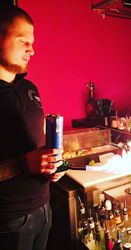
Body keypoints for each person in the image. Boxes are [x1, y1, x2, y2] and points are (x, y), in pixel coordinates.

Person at [0, 5, 66, 250]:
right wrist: (22, 164)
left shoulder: (30, 89)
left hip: (44, 207)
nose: (32, 50)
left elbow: (34, 146)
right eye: (23, 41)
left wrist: (52, 165)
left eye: (32, 42)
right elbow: (24, 159)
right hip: (9, 219)